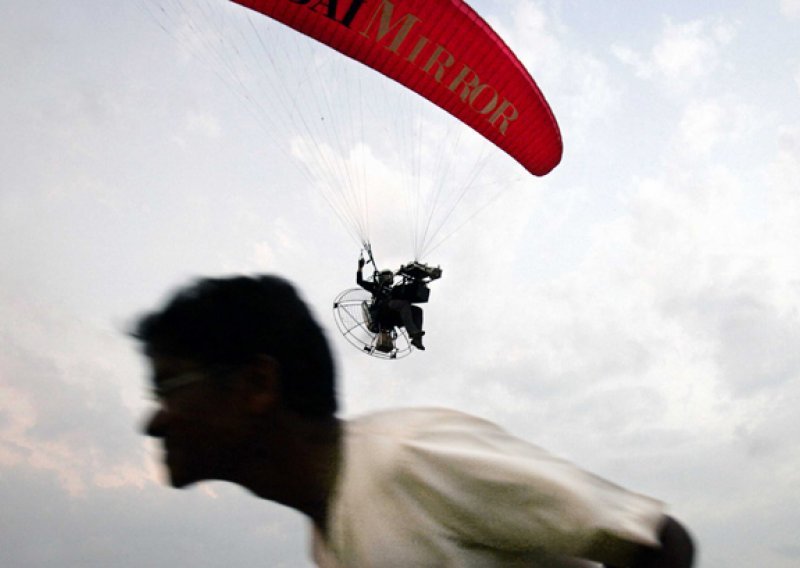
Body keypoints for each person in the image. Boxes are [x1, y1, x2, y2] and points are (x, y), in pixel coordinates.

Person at [134, 274, 695, 568]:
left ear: (258, 384)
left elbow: (657, 541)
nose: (154, 421)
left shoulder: (412, 457)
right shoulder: (328, 541)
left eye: (168, 387)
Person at [356, 256, 439, 350]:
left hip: (392, 315)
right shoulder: (376, 287)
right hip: (382, 311)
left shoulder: (394, 289)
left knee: (417, 310)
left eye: (390, 276)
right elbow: (359, 281)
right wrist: (360, 268)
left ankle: (417, 339)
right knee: (403, 304)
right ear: (381, 277)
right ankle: (412, 331)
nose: (389, 278)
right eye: (387, 276)